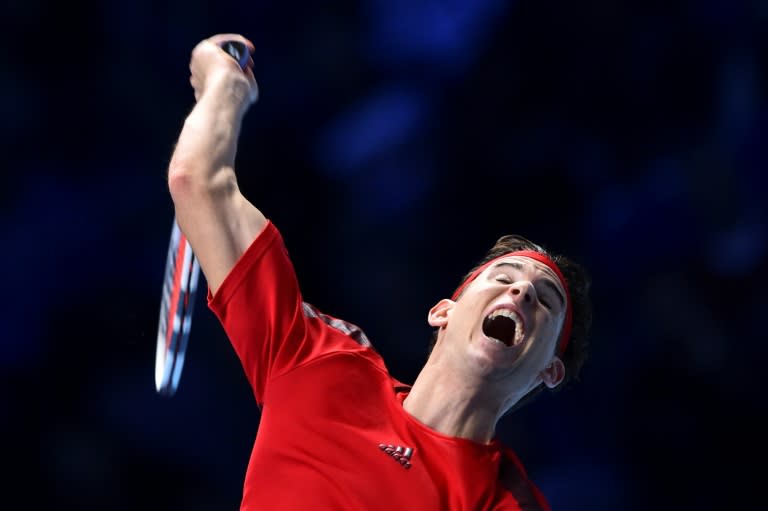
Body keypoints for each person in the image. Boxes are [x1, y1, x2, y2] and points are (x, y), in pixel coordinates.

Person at [167, 33, 593, 511]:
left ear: (550, 371)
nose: (521, 290)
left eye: (546, 300)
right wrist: (225, 87)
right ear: (442, 312)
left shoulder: (505, 502)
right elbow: (198, 182)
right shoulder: (322, 366)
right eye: (503, 276)